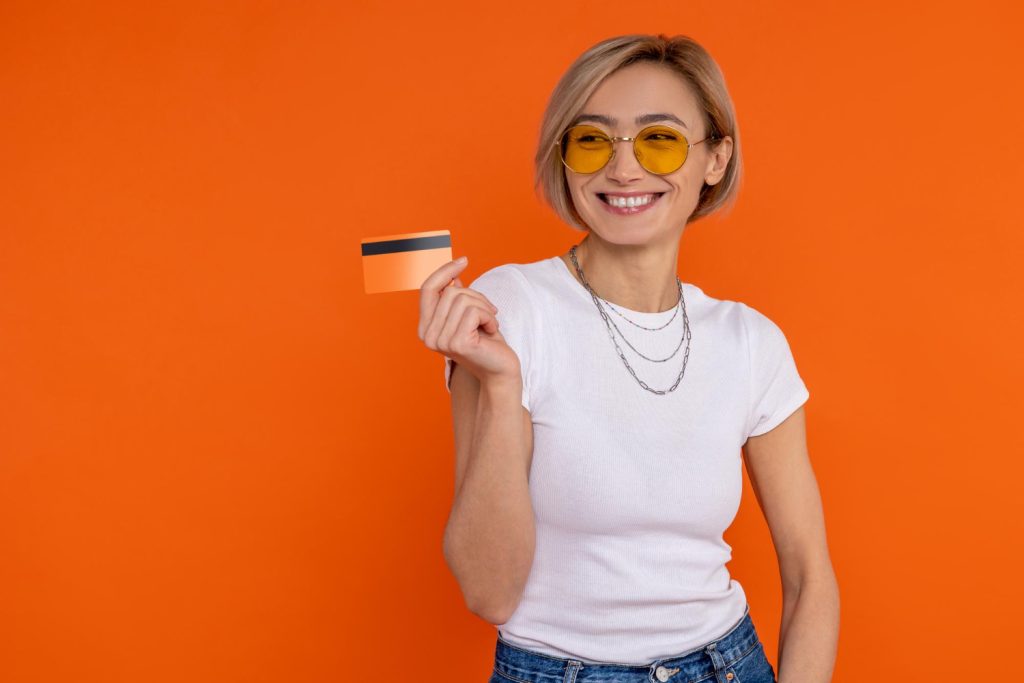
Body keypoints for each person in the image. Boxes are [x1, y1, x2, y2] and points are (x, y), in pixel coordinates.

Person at [418, 33, 839, 683]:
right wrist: (502, 388)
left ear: (715, 159)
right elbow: (489, 591)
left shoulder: (750, 341)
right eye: (592, 140)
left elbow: (811, 574)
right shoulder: (512, 308)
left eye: (659, 139)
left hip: (727, 665)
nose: (622, 169)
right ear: (565, 159)